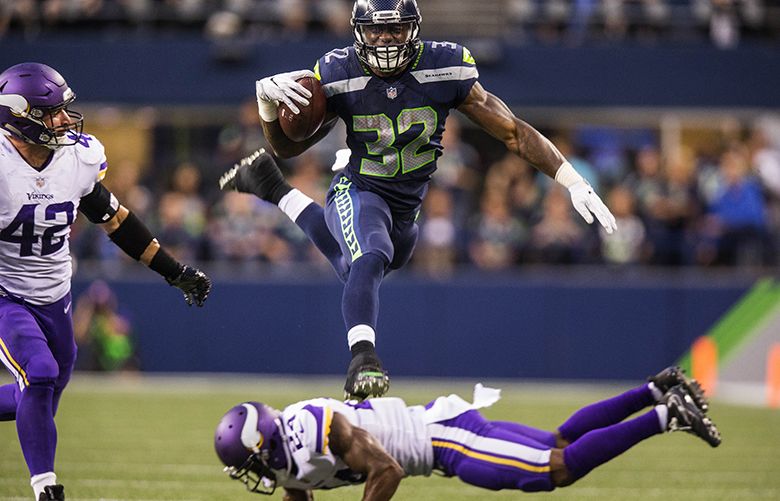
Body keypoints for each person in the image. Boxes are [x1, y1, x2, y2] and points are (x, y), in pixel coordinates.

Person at [219, 0, 617, 401]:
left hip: (407, 207)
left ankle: (272, 188)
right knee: (368, 255)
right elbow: (288, 149)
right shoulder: (338, 72)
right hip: (359, 187)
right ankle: (363, 359)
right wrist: (266, 106)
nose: (386, 40)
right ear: (359, 31)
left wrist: (570, 177)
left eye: (396, 29)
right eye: (376, 30)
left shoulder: (445, 66)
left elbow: (511, 131)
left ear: (414, 29)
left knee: (353, 267)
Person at [0, 62, 212, 501]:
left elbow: (115, 220)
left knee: (44, 389)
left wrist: (174, 271)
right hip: (5, 294)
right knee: (37, 374)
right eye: (50, 112)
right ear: (18, 118)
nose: (63, 120)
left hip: (55, 294)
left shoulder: (78, 157)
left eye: (64, 109)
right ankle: (45, 488)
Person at [214, 367, 720, 500]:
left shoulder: (310, 431)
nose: (251, 473)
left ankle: (666, 415)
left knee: (554, 471)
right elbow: (298, 490)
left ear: (266, 444)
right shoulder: (287, 452)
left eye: (248, 462)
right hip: (442, 423)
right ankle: (655, 390)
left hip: (445, 441)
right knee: (558, 444)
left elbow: (387, 470)